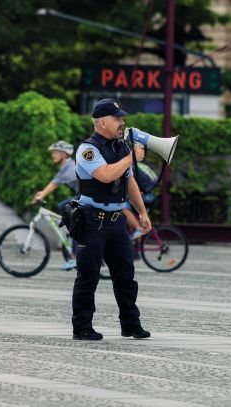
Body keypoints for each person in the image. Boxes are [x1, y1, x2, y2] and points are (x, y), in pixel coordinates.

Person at [72, 98, 151, 341]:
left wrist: (142, 212)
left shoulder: (120, 148)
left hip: (116, 220)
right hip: (92, 221)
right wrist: (132, 158)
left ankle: (130, 324)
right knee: (88, 276)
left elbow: (129, 182)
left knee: (126, 276)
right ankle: (82, 327)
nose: (122, 122)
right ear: (103, 122)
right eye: (117, 119)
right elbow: (105, 176)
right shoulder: (88, 149)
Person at [32, 140, 78, 270]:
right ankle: (76, 237)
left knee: (72, 218)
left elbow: (54, 184)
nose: (53, 155)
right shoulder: (66, 166)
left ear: (64, 154)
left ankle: (75, 258)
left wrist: (41, 195)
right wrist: (42, 193)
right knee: (63, 206)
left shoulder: (69, 166)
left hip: (89, 196)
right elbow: (54, 181)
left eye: (55, 153)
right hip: (85, 195)